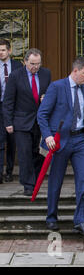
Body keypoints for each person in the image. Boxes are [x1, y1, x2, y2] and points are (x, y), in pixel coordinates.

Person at [37, 57, 84, 237]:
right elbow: (42, 114)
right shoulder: (57, 87)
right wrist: (47, 136)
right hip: (60, 141)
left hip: (79, 140)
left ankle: (80, 221)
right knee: (56, 181)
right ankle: (51, 217)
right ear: (75, 71)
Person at [3, 48, 51, 196]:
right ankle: (28, 185)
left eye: (38, 64)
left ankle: (34, 178)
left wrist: (46, 99)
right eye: (32, 64)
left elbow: (50, 93)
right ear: (25, 62)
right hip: (21, 121)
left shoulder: (46, 74)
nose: (35, 67)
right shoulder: (15, 76)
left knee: (37, 153)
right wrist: (8, 122)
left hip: (39, 121)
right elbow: (8, 101)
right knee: (24, 153)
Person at [0, 39, 22, 184]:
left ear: (9, 51)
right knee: (0, 142)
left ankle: (9, 172)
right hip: (0, 107)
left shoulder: (17, 66)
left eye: (2, 50)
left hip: (14, 109)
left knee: (11, 142)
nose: (0, 53)